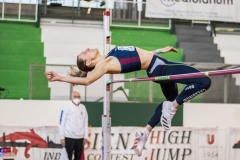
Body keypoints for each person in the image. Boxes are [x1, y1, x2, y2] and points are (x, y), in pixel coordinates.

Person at [47, 46, 211, 157]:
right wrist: (60, 78)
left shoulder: (110, 55)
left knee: (169, 100)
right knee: (204, 81)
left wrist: (160, 50)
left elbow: (138, 56)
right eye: (85, 52)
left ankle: (145, 132)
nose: (87, 49)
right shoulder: (104, 64)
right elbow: (88, 80)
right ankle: (173, 107)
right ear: (89, 62)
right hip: (160, 68)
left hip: (158, 63)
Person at [59, 91, 88, 160]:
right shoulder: (66, 107)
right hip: (69, 137)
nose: (77, 98)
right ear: (71, 97)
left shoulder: (83, 107)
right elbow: (61, 123)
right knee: (67, 157)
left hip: (80, 138)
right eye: (75, 96)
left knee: (78, 157)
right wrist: (61, 137)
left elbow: (85, 123)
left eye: (78, 96)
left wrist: (85, 137)